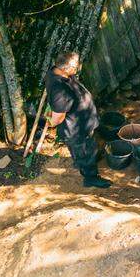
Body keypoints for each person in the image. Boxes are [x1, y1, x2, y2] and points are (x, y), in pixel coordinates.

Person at [45, 51, 110, 188]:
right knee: (84, 154)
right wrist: (50, 122)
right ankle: (90, 178)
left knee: (88, 150)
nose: (77, 68)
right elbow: (57, 118)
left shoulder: (57, 71)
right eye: (75, 66)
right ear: (66, 68)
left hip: (84, 122)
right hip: (75, 130)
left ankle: (88, 159)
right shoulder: (59, 90)